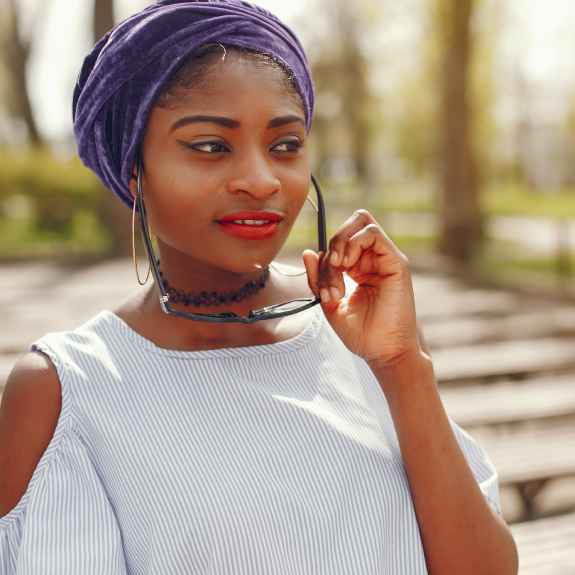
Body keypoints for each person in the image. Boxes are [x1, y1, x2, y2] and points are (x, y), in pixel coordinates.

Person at [0, 1, 518, 573]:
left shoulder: (364, 334)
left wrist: (402, 365)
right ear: (134, 172)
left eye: (286, 145)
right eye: (209, 146)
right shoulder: (65, 392)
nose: (262, 179)